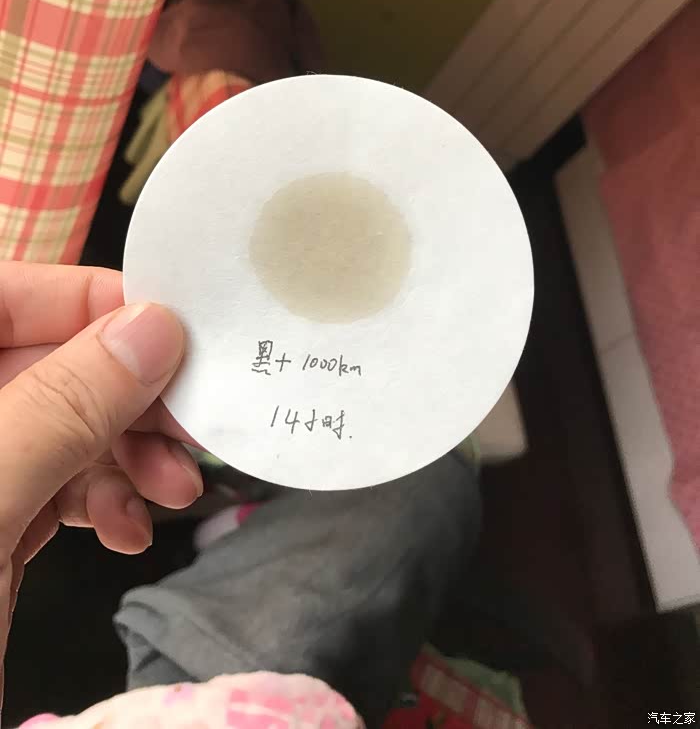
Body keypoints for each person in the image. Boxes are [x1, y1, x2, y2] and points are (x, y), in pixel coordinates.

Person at [1, 262, 479, 728]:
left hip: (187, 682)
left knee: (420, 480)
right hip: (215, 687)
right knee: (428, 477)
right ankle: (252, 530)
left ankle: (248, 529)